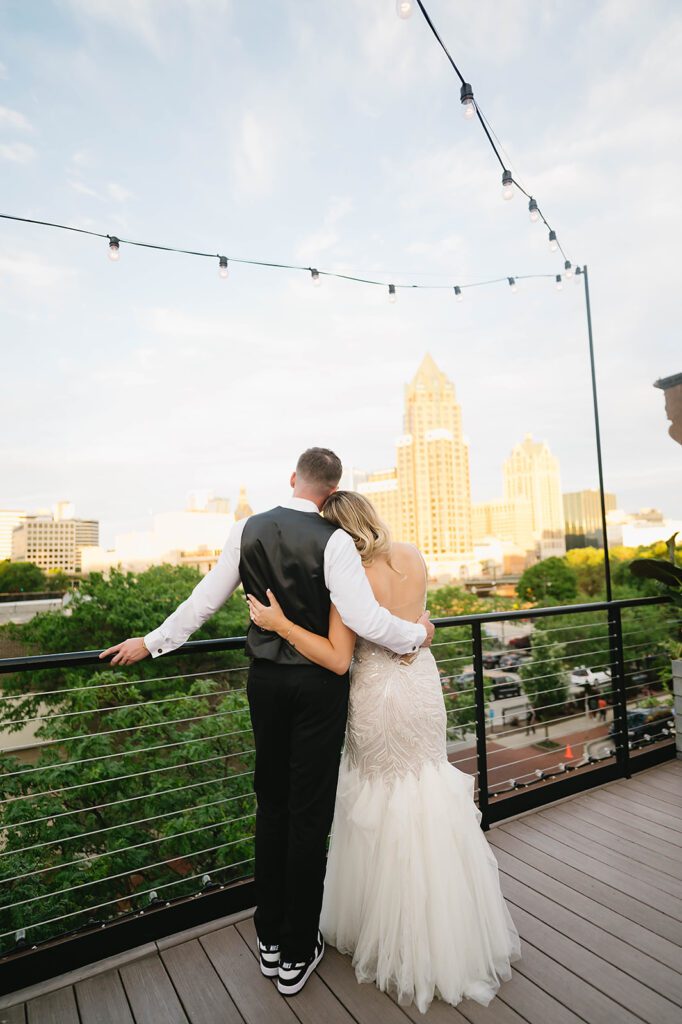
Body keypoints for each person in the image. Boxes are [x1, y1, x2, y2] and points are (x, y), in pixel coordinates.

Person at [99, 449, 433, 998]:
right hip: (319, 687)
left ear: (293, 480)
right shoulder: (335, 542)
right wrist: (417, 635)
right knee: (309, 817)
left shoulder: (247, 528)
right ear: (332, 492)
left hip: (267, 687)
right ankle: (298, 952)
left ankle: (269, 939)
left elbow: (203, 602)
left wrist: (151, 643)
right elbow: (366, 621)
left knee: (271, 806)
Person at [247, 491, 521, 1013]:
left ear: (337, 535)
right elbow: (417, 624)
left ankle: (393, 931)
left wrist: (280, 626)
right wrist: (420, 633)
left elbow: (336, 656)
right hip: (420, 686)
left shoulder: (347, 580)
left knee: (380, 797)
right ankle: (450, 930)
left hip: (376, 691)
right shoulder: (414, 555)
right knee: (427, 786)